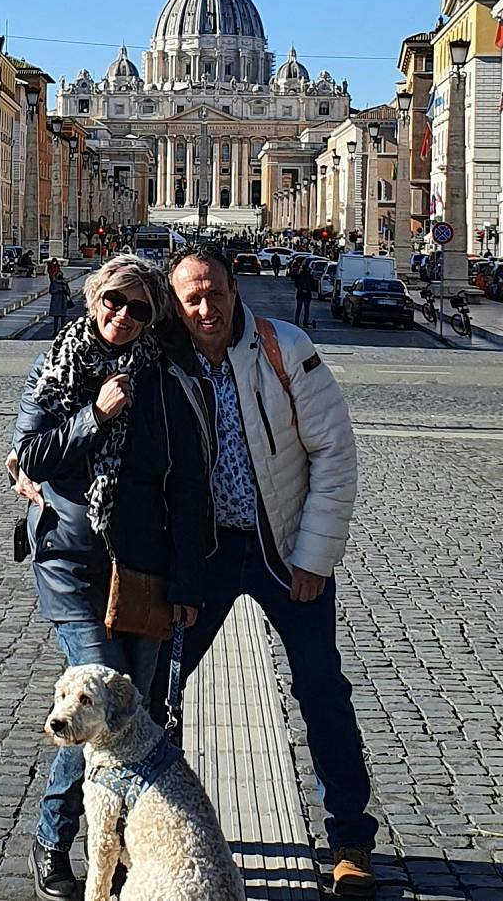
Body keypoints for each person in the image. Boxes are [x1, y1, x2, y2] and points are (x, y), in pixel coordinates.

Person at [158, 245, 378, 897]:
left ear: (235, 287)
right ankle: (155, 828)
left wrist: (313, 557)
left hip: (284, 548)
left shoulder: (285, 346)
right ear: (175, 301)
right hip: (205, 557)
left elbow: (334, 454)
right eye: (191, 297)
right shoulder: (162, 359)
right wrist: (31, 451)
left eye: (215, 293)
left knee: (321, 691)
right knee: (154, 694)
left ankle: (350, 839)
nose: (205, 308)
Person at [12, 254, 211, 901]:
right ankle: (53, 837)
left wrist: (186, 586)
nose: (121, 316)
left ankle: (128, 846)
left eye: (138, 308)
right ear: (94, 299)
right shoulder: (58, 365)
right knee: (94, 705)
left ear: (153, 316)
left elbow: (188, 488)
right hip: (69, 560)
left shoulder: (165, 380)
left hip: (143, 566)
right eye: (112, 301)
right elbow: (28, 455)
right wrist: (94, 415)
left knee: (142, 714)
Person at [46, 260, 71, 339]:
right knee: (56, 318)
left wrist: (64, 289)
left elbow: (68, 292)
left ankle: (63, 330)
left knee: (63, 318)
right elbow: (51, 291)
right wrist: (57, 291)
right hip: (56, 301)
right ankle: (55, 330)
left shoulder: (64, 283)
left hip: (62, 301)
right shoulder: (53, 283)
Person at [292, 257, 317, 330]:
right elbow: (313, 285)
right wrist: (307, 289)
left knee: (299, 308)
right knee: (306, 309)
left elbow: (296, 284)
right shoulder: (309, 276)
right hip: (306, 294)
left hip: (300, 294)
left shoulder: (300, 275)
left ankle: (297, 322)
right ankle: (305, 323)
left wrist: (301, 289)